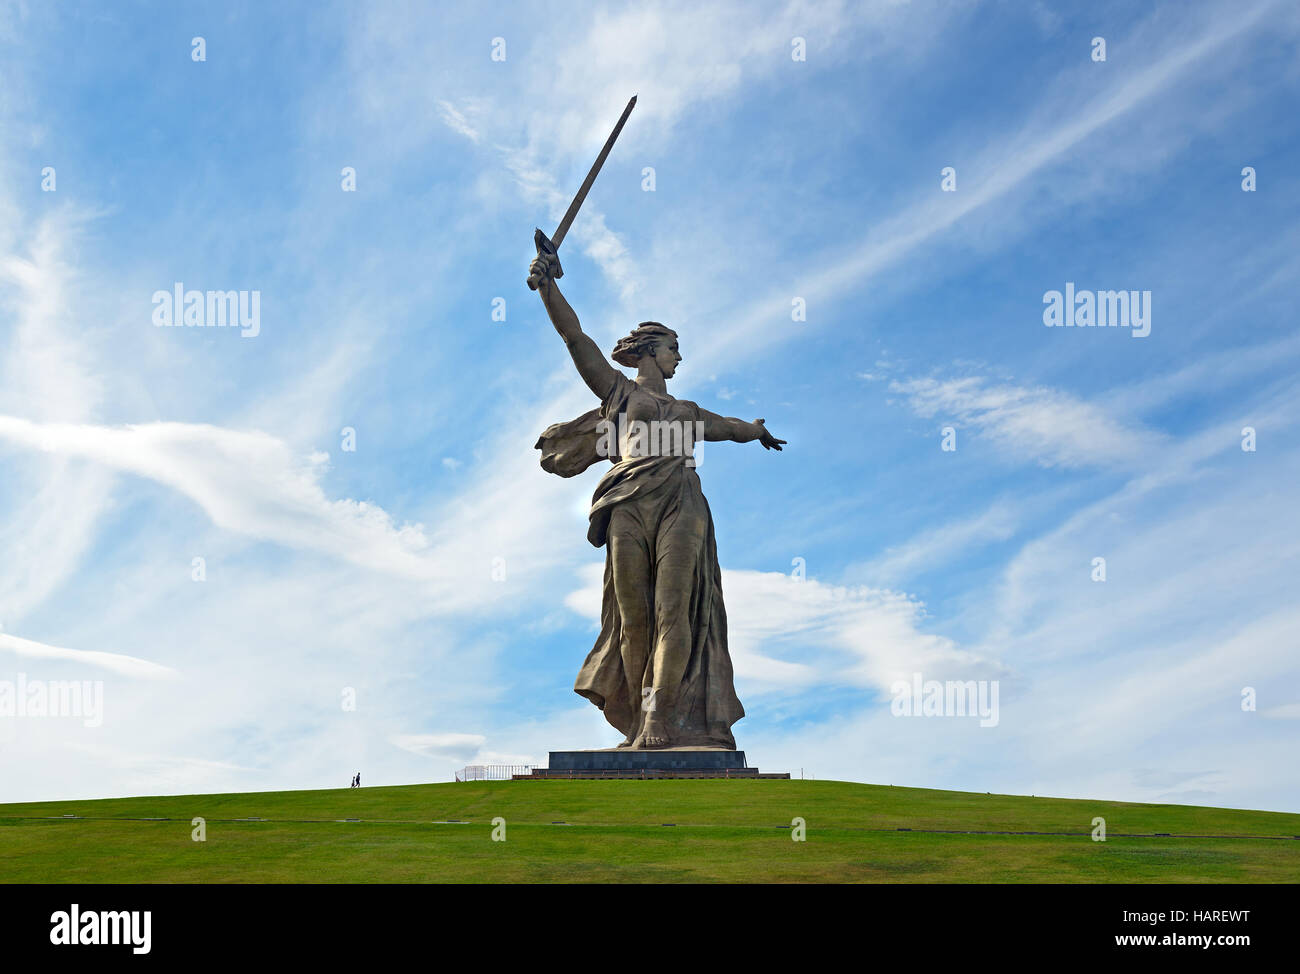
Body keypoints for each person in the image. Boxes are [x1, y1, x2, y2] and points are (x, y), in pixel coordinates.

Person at [530, 250, 785, 749]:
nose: (679, 357)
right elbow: (575, 338)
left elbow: (728, 428)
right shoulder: (619, 393)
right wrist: (548, 288)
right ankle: (637, 715)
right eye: (673, 347)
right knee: (634, 618)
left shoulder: (687, 408)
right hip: (627, 499)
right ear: (649, 350)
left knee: (675, 611)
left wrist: (755, 431)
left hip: (682, 502)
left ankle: (656, 720)